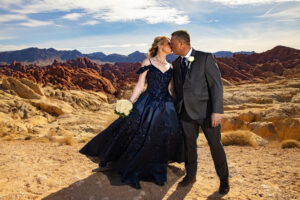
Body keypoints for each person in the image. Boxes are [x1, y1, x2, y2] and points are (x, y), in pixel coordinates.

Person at [79, 36, 184, 190]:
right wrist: (130, 102)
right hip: (148, 102)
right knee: (137, 133)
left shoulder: (171, 66)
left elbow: (170, 89)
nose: (171, 46)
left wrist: (175, 106)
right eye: (169, 43)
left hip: (165, 105)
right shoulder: (148, 62)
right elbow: (140, 84)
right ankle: (132, 171)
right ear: (160, 45)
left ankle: (157, 173)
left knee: (160, 138)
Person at [170, 30, 230, 195]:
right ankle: (190, 176)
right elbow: (176, 90)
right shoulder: (175, 64)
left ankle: (224, 180)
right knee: (189, 147)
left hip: (207, 113)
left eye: (172, 43)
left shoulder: (205, 58)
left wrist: (217, 111)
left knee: (215, 145)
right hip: (185, 114)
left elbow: (216, 85)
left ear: (181, 44)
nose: (170, 45)